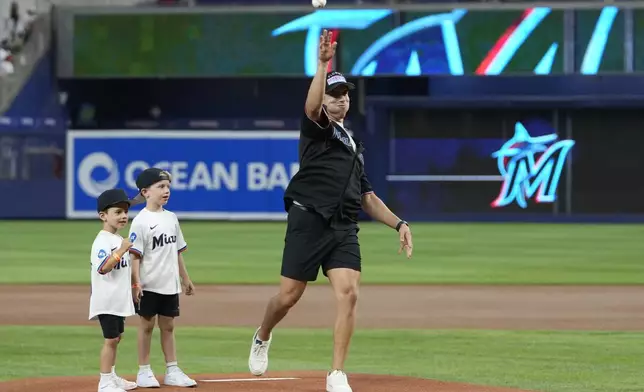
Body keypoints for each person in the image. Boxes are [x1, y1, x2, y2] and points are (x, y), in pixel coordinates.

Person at [248, 30, 413, 392]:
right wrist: (323, 64)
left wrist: (398, 223)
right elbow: (310, 107)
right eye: (334, 95)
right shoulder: (317, 128)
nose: (340, 101)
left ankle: (336, 372)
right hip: (308, 219)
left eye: (344, 95)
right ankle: (262, 334)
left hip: (343, 227)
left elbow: (367, 196)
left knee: (349, 292)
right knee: (289, 296)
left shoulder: (354, 144)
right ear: (324, 99)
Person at [127, 168, 197, 388]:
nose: (166, 191)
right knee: (146, 326)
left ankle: (172, 369)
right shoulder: (140, 221)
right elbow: (135, 257)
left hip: (170, 283)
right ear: (145, 192)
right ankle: (144, 370)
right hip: (149, 284)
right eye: (160, 187)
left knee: (168, 326)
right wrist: (136, 283)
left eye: (167, 186)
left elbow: (176, 251)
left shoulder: (171, 218)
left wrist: (185, 278)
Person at [89, 188, 138, 392]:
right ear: (103, 215)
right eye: (117, 212)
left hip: (118, 300)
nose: (124, 216)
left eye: (125, 211)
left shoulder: (118, 239)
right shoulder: (103, 241)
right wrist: (121, 250)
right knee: (110, 340)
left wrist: (136, 284)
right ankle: (105, 382)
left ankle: (112, 375)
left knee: (117, 338)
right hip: (107, 300)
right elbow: (103, 268)